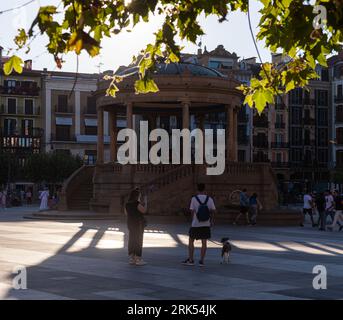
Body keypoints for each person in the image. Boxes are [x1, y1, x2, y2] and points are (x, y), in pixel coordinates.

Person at [182, 183, 216, 267]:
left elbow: (192, 211)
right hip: (206, 223)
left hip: (195, 224)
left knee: (191, 240)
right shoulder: (209, 199)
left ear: (197, 189)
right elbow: (214, 210)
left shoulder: (194, 199)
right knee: (204, 242)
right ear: (205, 189)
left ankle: (191, 260)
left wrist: (192, 220)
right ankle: (201, 261)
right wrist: (211, 221)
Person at [125, 188, 147, 266]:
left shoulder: (127, 204)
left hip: (130, 224)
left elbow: (126, 214)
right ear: (137, 196)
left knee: (132, 239)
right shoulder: (137, 204)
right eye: (139, 195)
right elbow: (144, 211)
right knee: (138, 240)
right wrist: (145, 202)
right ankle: (138, 259)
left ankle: (132, 258)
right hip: (138, 224)